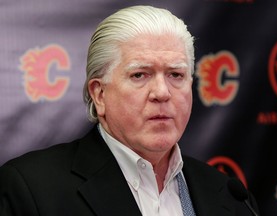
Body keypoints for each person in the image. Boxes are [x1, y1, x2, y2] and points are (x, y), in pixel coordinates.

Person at [0, 5, 259, 216]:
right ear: (99, 94)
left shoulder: (229, 196)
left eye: (176, 74)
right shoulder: (30, 189)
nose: (162, 92)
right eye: (140, 75)